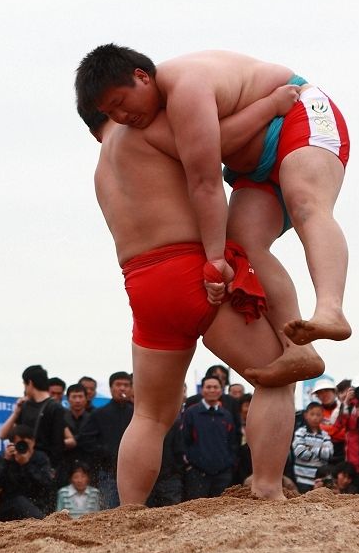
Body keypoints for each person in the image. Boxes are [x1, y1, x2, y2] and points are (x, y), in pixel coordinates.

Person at [76, 105, 322, 504]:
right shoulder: (142, 129)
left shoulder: (102, 171)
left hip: (143, 284)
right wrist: (272, 105)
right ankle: (267, 487)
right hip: (190, 268)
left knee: (150, 415)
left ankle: (129, 511)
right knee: (277, 373)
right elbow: (214, 140)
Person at [75, 43, 352, 353]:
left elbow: (206, 183)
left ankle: (331, 309)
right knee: (244, 244)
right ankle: (297, 348)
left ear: (142, 77)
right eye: (110, 113)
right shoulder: (158, 115)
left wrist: (215, 259)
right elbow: (214, 147)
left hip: (298, 114)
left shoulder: (185, 86)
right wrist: (266, 106)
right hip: (256, 164)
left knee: (306, 203)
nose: (121, 117)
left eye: (120, 103)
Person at [77, 372, 134, 508]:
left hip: (134, 472)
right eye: (118, 385)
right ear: (111, 388)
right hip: (108, 473)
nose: (122, 388)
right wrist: (105, 452)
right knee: (110, 509)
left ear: (131, 388)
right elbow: (85, 440)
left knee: (134, 508)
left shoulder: (137, 414)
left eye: (126, 385)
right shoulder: (99, 414)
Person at [181, 375, 240, 499]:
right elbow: (184, 440)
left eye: (215, 387)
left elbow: (232, 442)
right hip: (197, 473)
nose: (212, 390)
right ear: (202, 390)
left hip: (223, 474)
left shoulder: (226, 415)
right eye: (208, 387)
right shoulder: (191, 413)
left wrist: (230, 463)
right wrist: (190, 465)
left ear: (221, 390)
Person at [0, 365, 67, 471]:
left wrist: (51, 470)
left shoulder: (55, 408)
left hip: (44, 468)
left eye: (24, 384)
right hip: (22, 466)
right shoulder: (24, 406)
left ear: (30, 383)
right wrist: (16, 413)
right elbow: (2, 435)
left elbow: (57, 446)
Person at [0, 425, 54, 521]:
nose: (24, 447)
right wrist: (6, 461)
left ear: (33, 442)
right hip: (9, 508)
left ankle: (42, 523)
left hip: (36, 505)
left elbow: (47, 483)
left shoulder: (40, 458)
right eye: (20, 443)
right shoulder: (5, 459)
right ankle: (43, 524)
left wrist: (27, 464)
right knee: (20, 501)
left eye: (27, 443)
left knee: (30, 504)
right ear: (12, 444)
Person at [291, 402, 334, 493]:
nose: (315, 417)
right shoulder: (301, 432)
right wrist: (320, 454)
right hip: (302, 479)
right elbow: (299, 452)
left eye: (318, 415)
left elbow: (329, 453)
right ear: (306, 415)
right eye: (312, 414)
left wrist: (310, 448)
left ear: (322, 416)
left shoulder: (325, 435)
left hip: (319, 480)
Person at [311, 378, 344, 464]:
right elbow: (316, 432)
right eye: (320, 392)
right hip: (322, 456)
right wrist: (336, 429)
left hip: (344, 454)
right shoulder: (315, 412)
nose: (324, 394)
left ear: (334, 392)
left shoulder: (344, 409)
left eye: (327, 390)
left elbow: (345, 433)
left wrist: (327, 430)